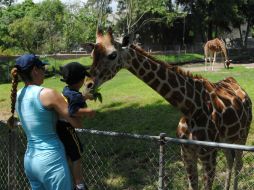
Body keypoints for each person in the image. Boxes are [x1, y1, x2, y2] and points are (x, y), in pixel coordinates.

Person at [8, 54, 87, 190]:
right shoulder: (48, 94)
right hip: (52, 161)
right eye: (43, 67)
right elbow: (77, 123)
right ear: (35, 70)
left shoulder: (19, 94)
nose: (45, 71)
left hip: (31, 161)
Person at [57, 62, 95, 190]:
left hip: (60, 128)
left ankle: (72, 182)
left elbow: (72, 101)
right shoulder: (75, 95)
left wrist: (84, 98)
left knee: (70, 155)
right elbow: (72, 111)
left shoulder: (67, 90)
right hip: (68, 129)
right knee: (77, 156)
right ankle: (79, 184)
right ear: (80, 80)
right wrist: (87, 112)